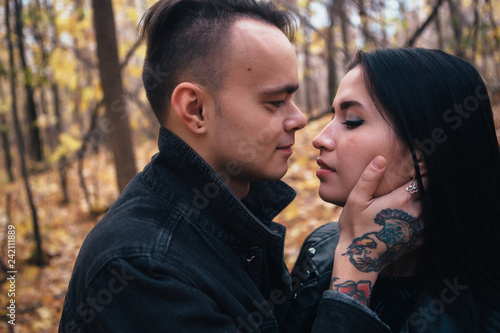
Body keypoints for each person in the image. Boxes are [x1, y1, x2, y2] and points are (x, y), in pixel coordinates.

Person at [58, 1, 420, 332]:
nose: (300, 119)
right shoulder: (141, 269)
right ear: (195, 109)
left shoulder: (234, 213)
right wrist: (352, 276)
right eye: (275, 102)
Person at [283, 48, 500, 333]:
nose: (320, 138)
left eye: (352, 121)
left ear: (421, 153)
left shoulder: (485, 303)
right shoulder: (321, 248)